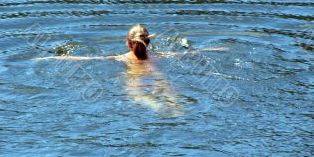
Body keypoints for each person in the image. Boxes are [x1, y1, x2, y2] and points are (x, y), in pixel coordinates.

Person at [38, 24, 227, 117]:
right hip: (158, 77)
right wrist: (217, 49)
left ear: (128, 43)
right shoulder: (158, 57)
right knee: (174, 97)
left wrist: (52, 57)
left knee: (141, 98)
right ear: (149, 42)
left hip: (135, 80)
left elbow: (88, 58)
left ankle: (158, 109)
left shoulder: (121, 58)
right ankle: (179, 112)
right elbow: (188, 54)